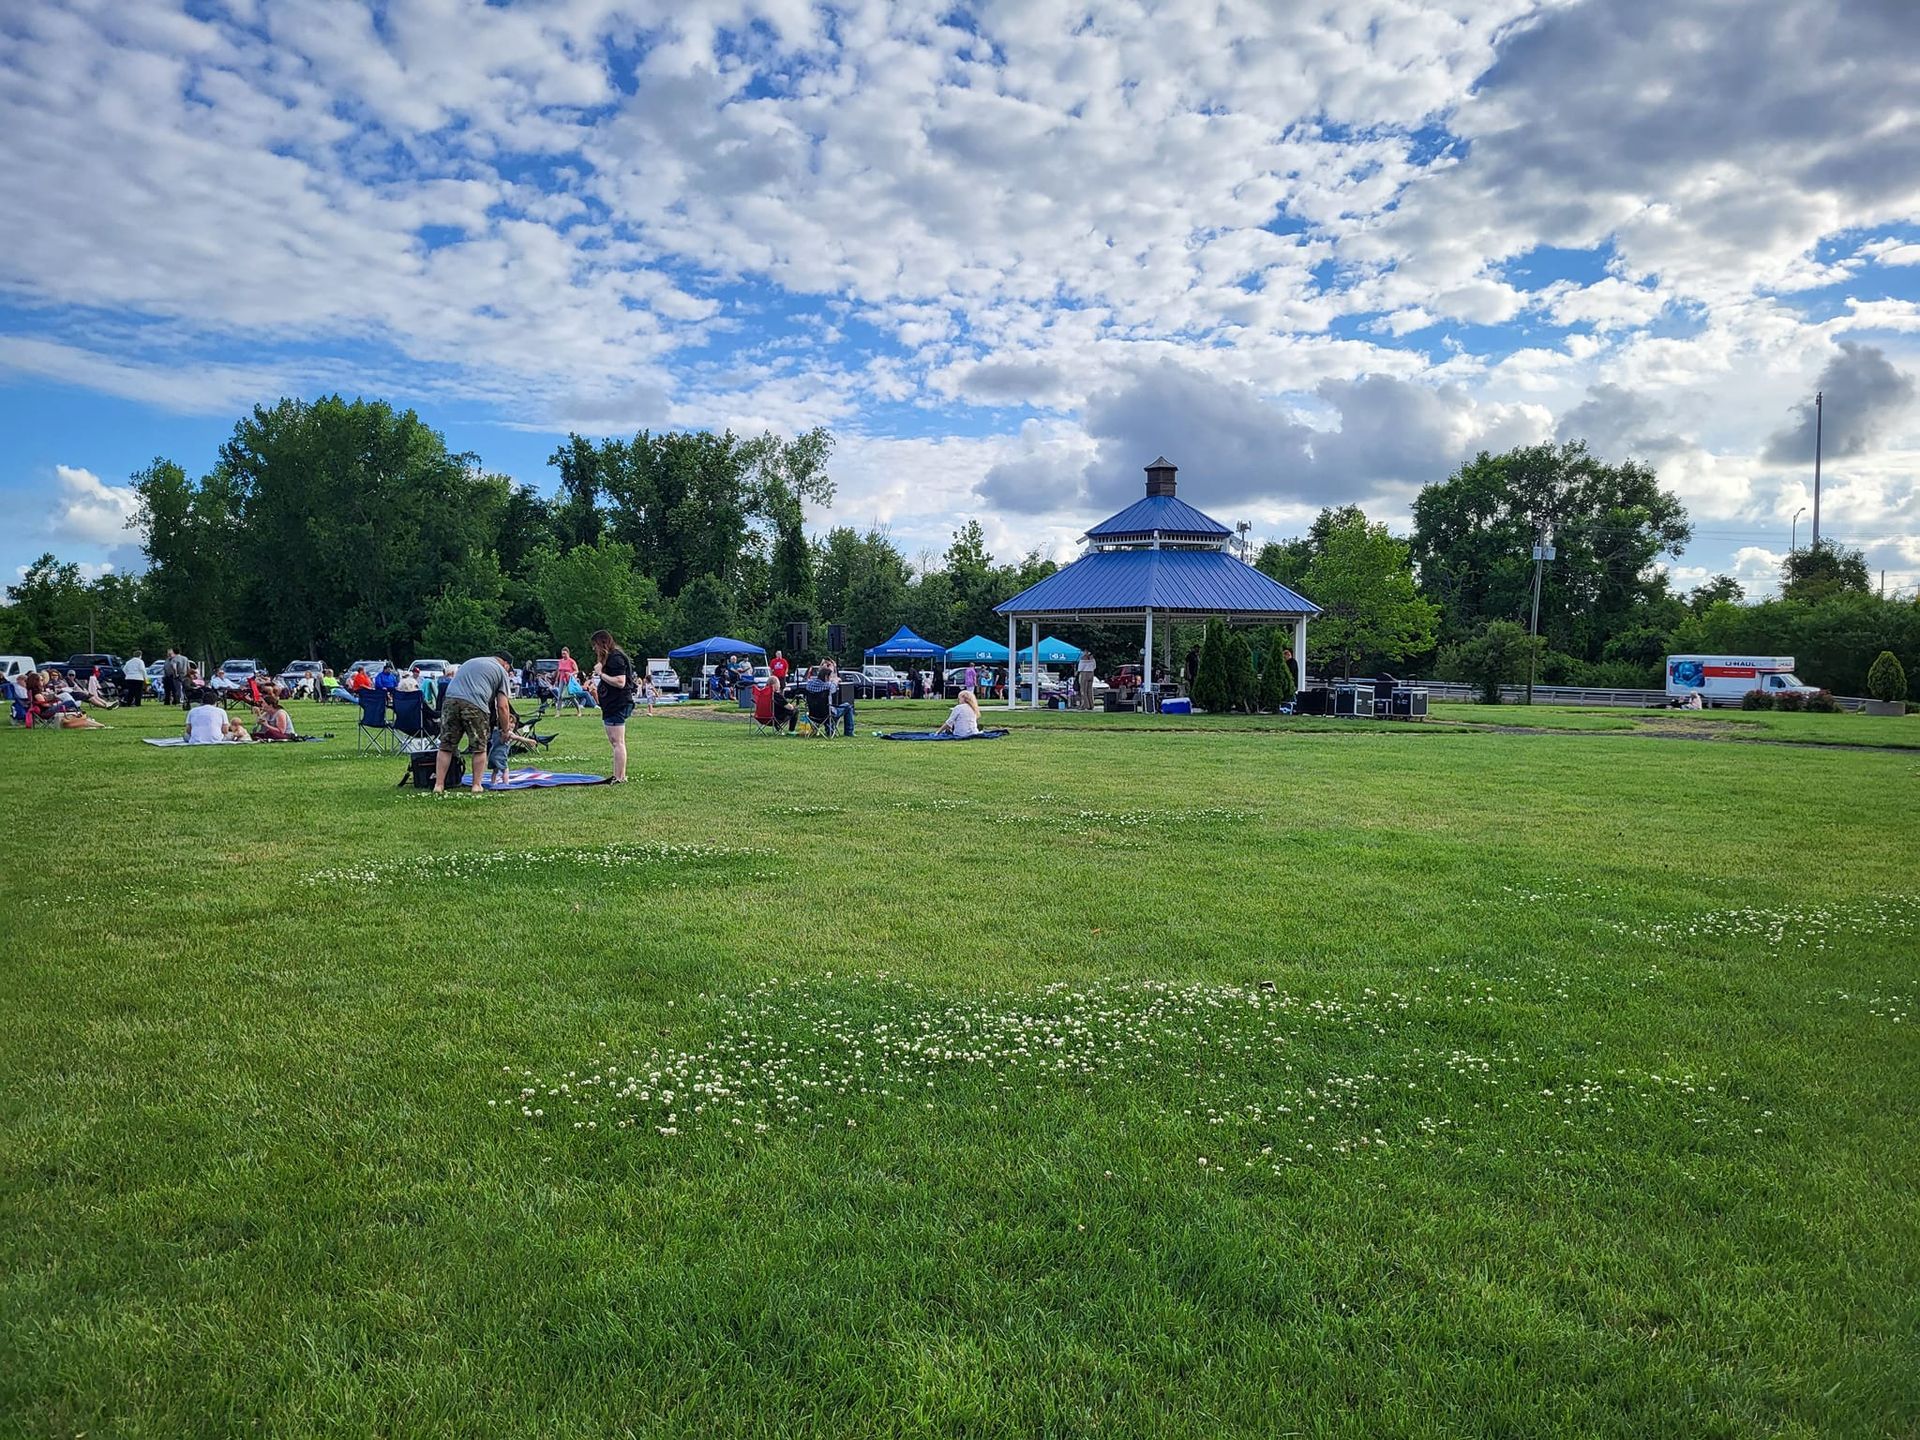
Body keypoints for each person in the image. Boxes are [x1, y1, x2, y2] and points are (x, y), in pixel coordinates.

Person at [435, 653, 515, 796]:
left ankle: (439, 785)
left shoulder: (470, 661)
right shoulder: (501, 671)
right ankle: (476, 785)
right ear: (506, 664)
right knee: (479, 747)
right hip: (475, 705)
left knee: (446, 745)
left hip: (450, 700)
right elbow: (503, 707)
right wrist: (505, 729)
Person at [589, 629, 633, 782]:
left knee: (618, 741)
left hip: (617, 704)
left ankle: (620, 777)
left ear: (602, 643)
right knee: (615, 742)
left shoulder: (616, 658)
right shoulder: (610, 658)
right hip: (611, 705)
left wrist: (601, 674)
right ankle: (618, 775)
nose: (594, 649)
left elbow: (621, 682)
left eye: (595, 645)